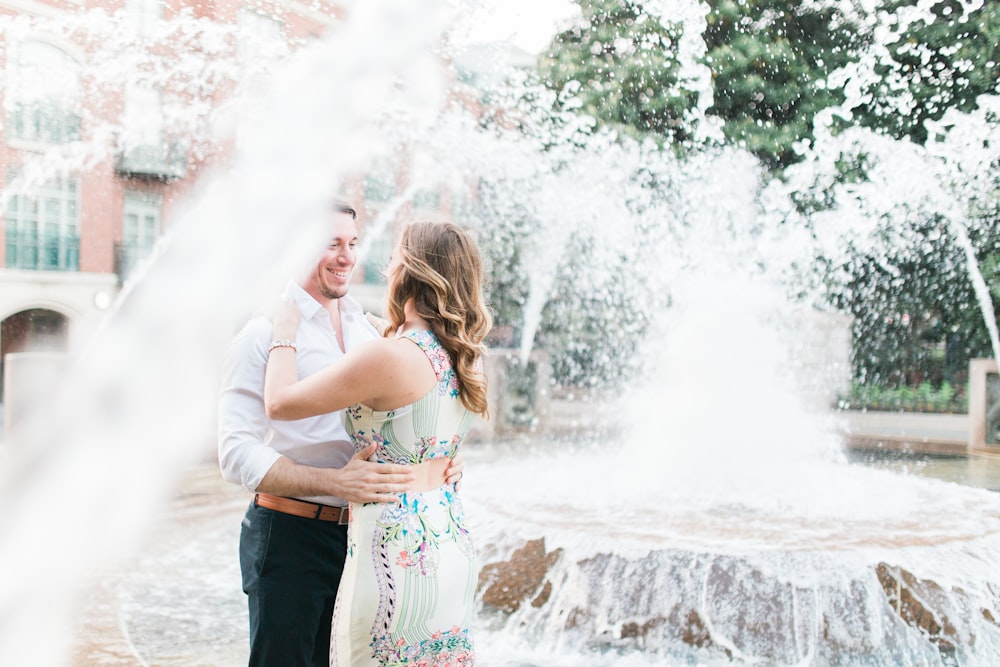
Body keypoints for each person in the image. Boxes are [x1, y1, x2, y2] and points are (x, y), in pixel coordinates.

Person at [217, 202, 465, 667]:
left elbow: (403, 417)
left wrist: (433, 463)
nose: (347, 256)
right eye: (331, 244)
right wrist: (334, 483)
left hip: (369, 542)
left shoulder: (373, 334)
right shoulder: (263, 334)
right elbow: (234, 453)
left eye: (352, 243)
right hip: (292, 539)